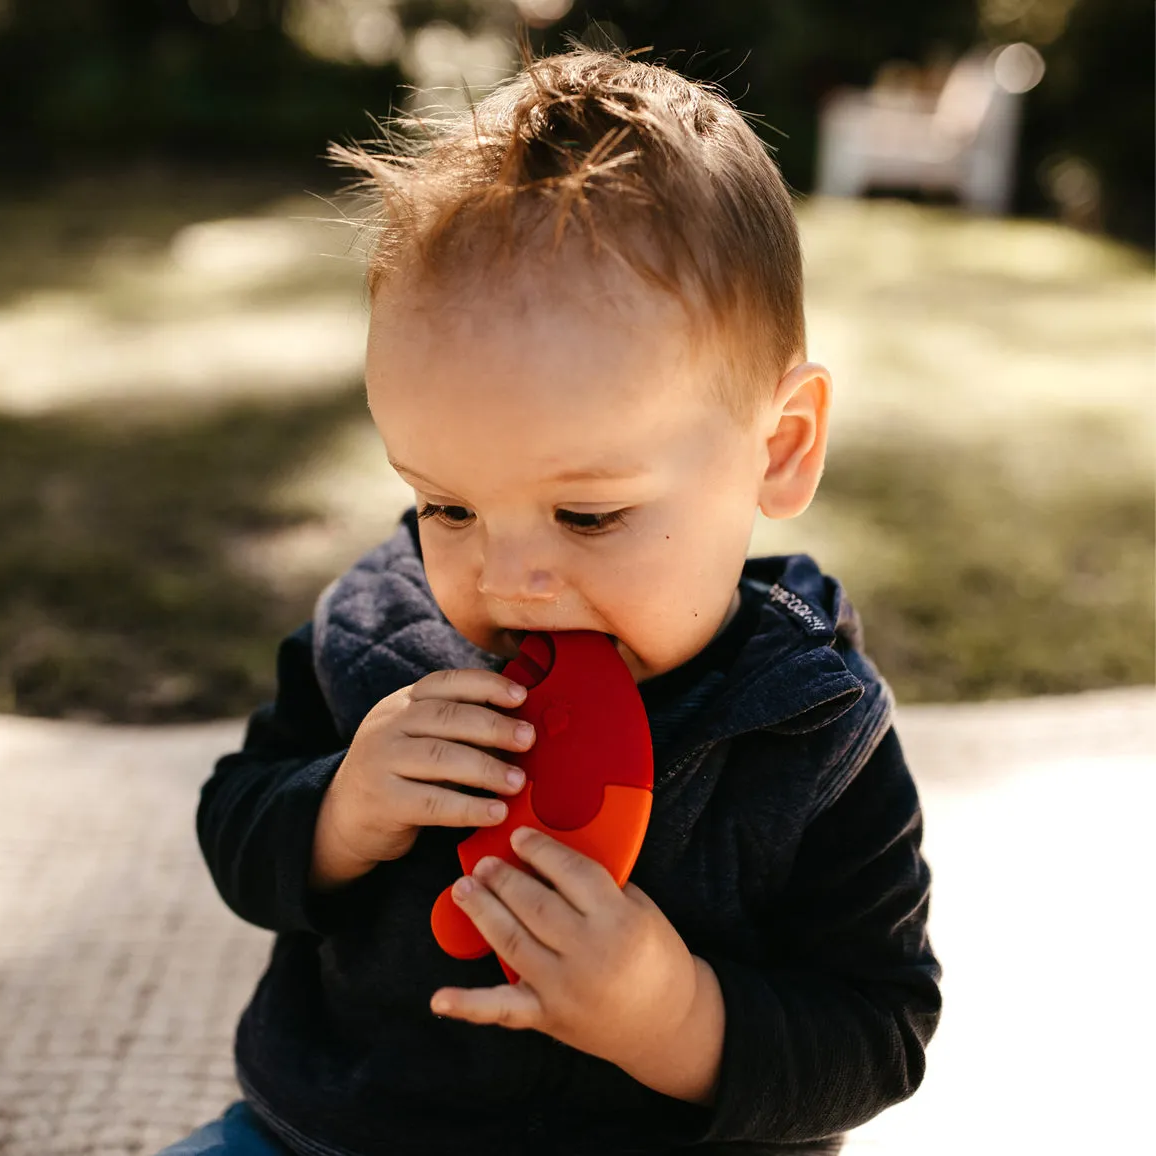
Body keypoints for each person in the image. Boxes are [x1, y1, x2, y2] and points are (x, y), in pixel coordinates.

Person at [158, 46, 941, 1156]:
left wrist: (678, 1018)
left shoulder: (812, 729)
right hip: (350, 1131)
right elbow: (236, 825)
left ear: (779, 450)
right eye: (447, 504)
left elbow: (881, 1029)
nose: (506, 578)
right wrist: (337, 810)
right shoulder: (379, 635)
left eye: (586, 517)